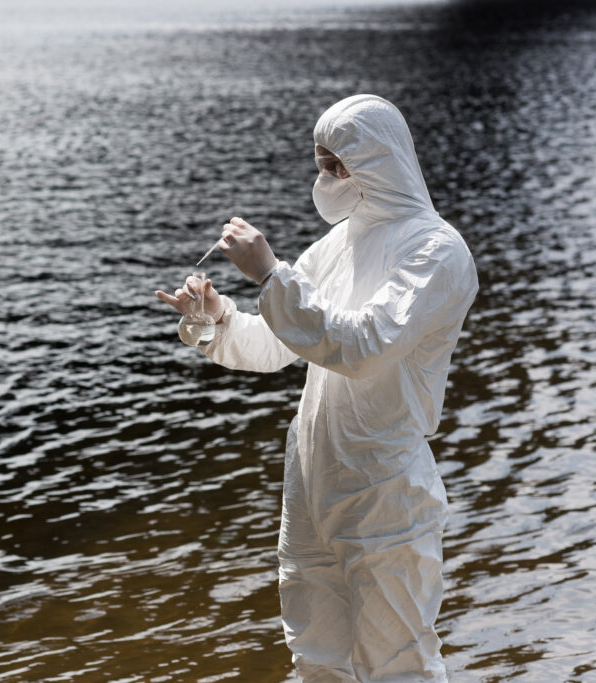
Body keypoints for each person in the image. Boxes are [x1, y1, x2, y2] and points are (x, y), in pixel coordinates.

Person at [155, 94, 478, 682]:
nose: (325, 179)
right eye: (320, 162)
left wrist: (272, 275)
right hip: (311, 479)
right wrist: (216, 319)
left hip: (384, 487)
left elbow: (360, 347)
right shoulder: (339, 244)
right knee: (314, 656)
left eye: (338, 165)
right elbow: (280, 344)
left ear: (379, 161)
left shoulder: (436, 251)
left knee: (397, 661)